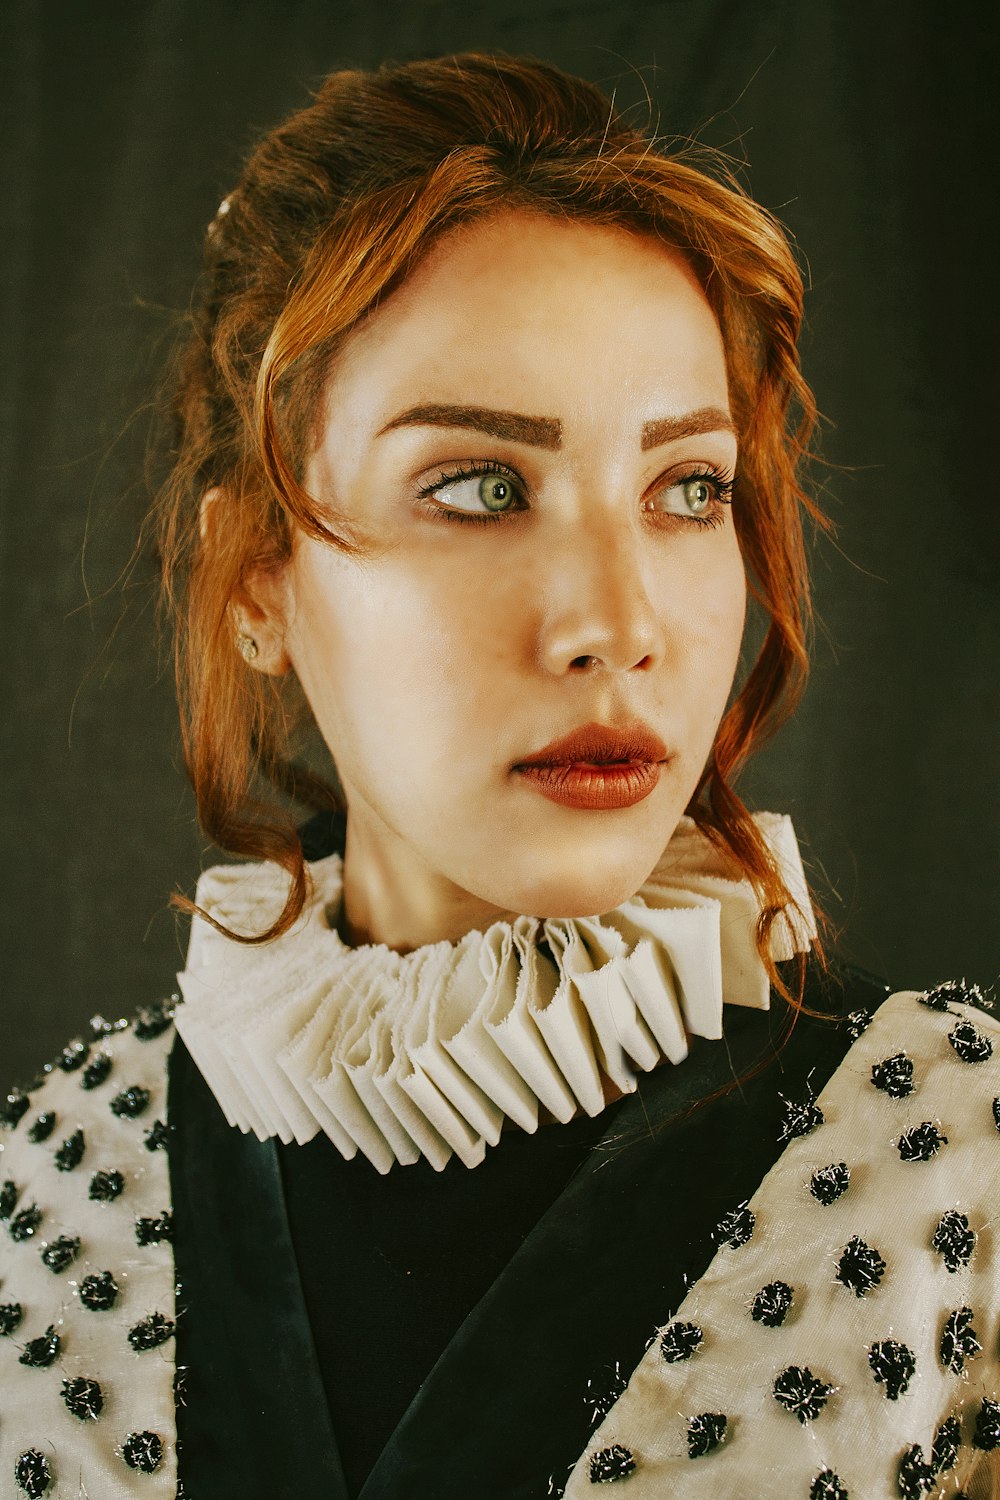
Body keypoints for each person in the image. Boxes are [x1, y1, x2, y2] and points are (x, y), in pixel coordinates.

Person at [0, 51, 997, 1500]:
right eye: (480, 485)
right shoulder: (47, 1191)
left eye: (688, 489)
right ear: (253, 579)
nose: (620, 622)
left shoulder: (953, 1161)